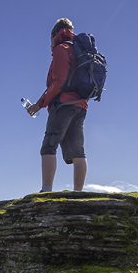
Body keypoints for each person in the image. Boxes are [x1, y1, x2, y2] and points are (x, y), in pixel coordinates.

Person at [27, 18, 88, 192]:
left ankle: (46, 189)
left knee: (49, 145)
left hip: (63, 105)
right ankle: (78, 193)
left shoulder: (61, 49)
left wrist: (40, 104)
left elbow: (59, 81)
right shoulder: (79, 51)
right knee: (78, 151)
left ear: (55, 34)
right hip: (81, 105)